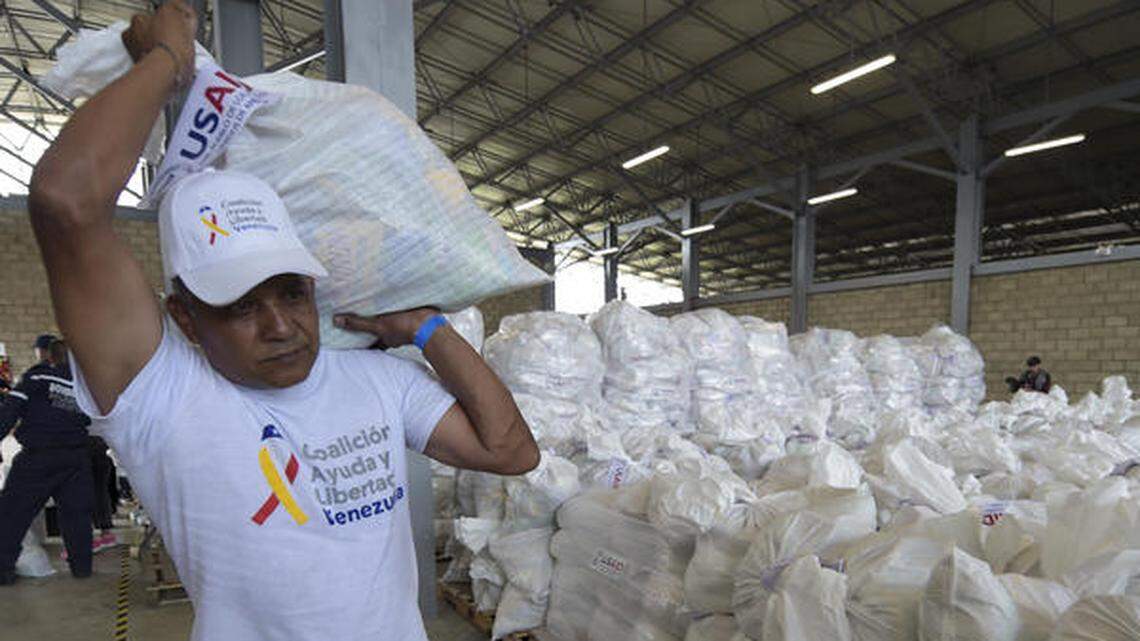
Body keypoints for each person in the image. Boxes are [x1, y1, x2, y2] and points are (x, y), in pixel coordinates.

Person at [26, 2, 538, 638]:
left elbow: (512, 452)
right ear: (185, 317)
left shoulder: (376, 383)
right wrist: (168, 57)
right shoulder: (163, 397)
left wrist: (426, 329)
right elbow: (65, 201)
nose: (279, 326)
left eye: (292, 294)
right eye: (240, 305)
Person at [0, 337, 94, 584]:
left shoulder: (36, 378)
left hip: (39, 457)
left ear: (48, 356)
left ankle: (3, 569)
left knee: (13, 513)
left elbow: (9, 411)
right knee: (77, 515)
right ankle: (82, 568)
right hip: (76, 457)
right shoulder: (85, 385)